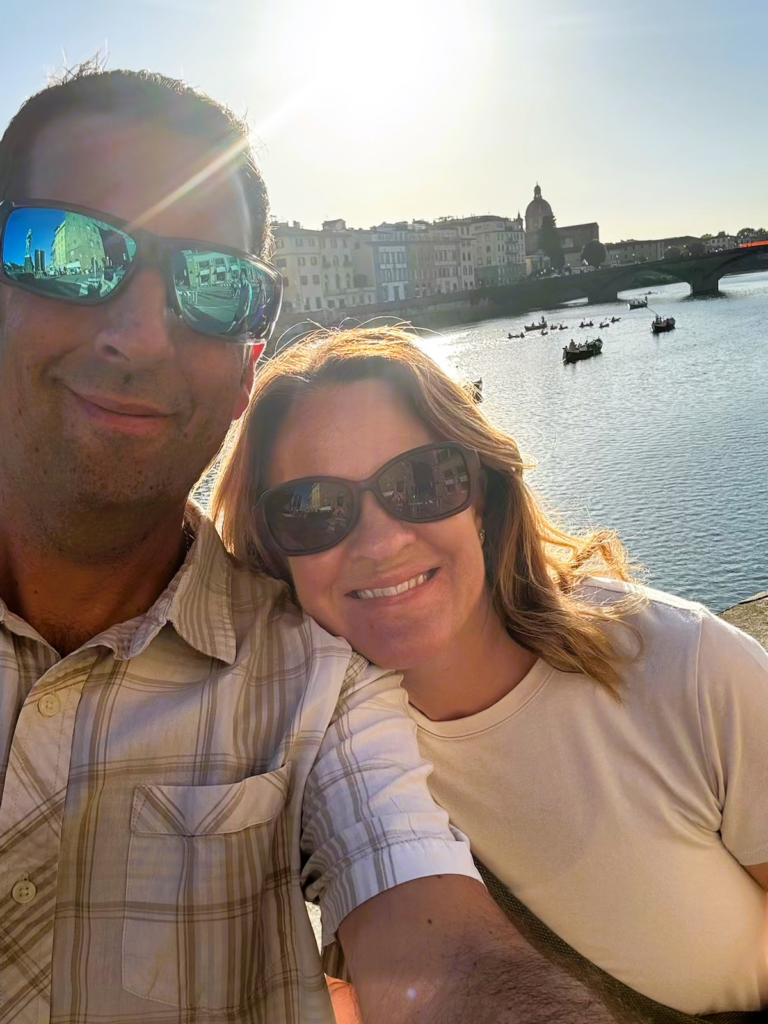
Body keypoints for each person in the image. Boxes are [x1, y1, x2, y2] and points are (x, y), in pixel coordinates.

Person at [0, 65, 620, 1024]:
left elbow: (439, 941)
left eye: (213, 286)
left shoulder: (320, 677)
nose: (141, 334)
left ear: (250, 359)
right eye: (68, 251)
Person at [214, 325, 768, 1020]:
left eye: (420, 482)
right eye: (314, 510)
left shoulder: (681, 666)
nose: (381, 541)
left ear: (482, 494)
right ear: (274, 550)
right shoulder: (307, 758)